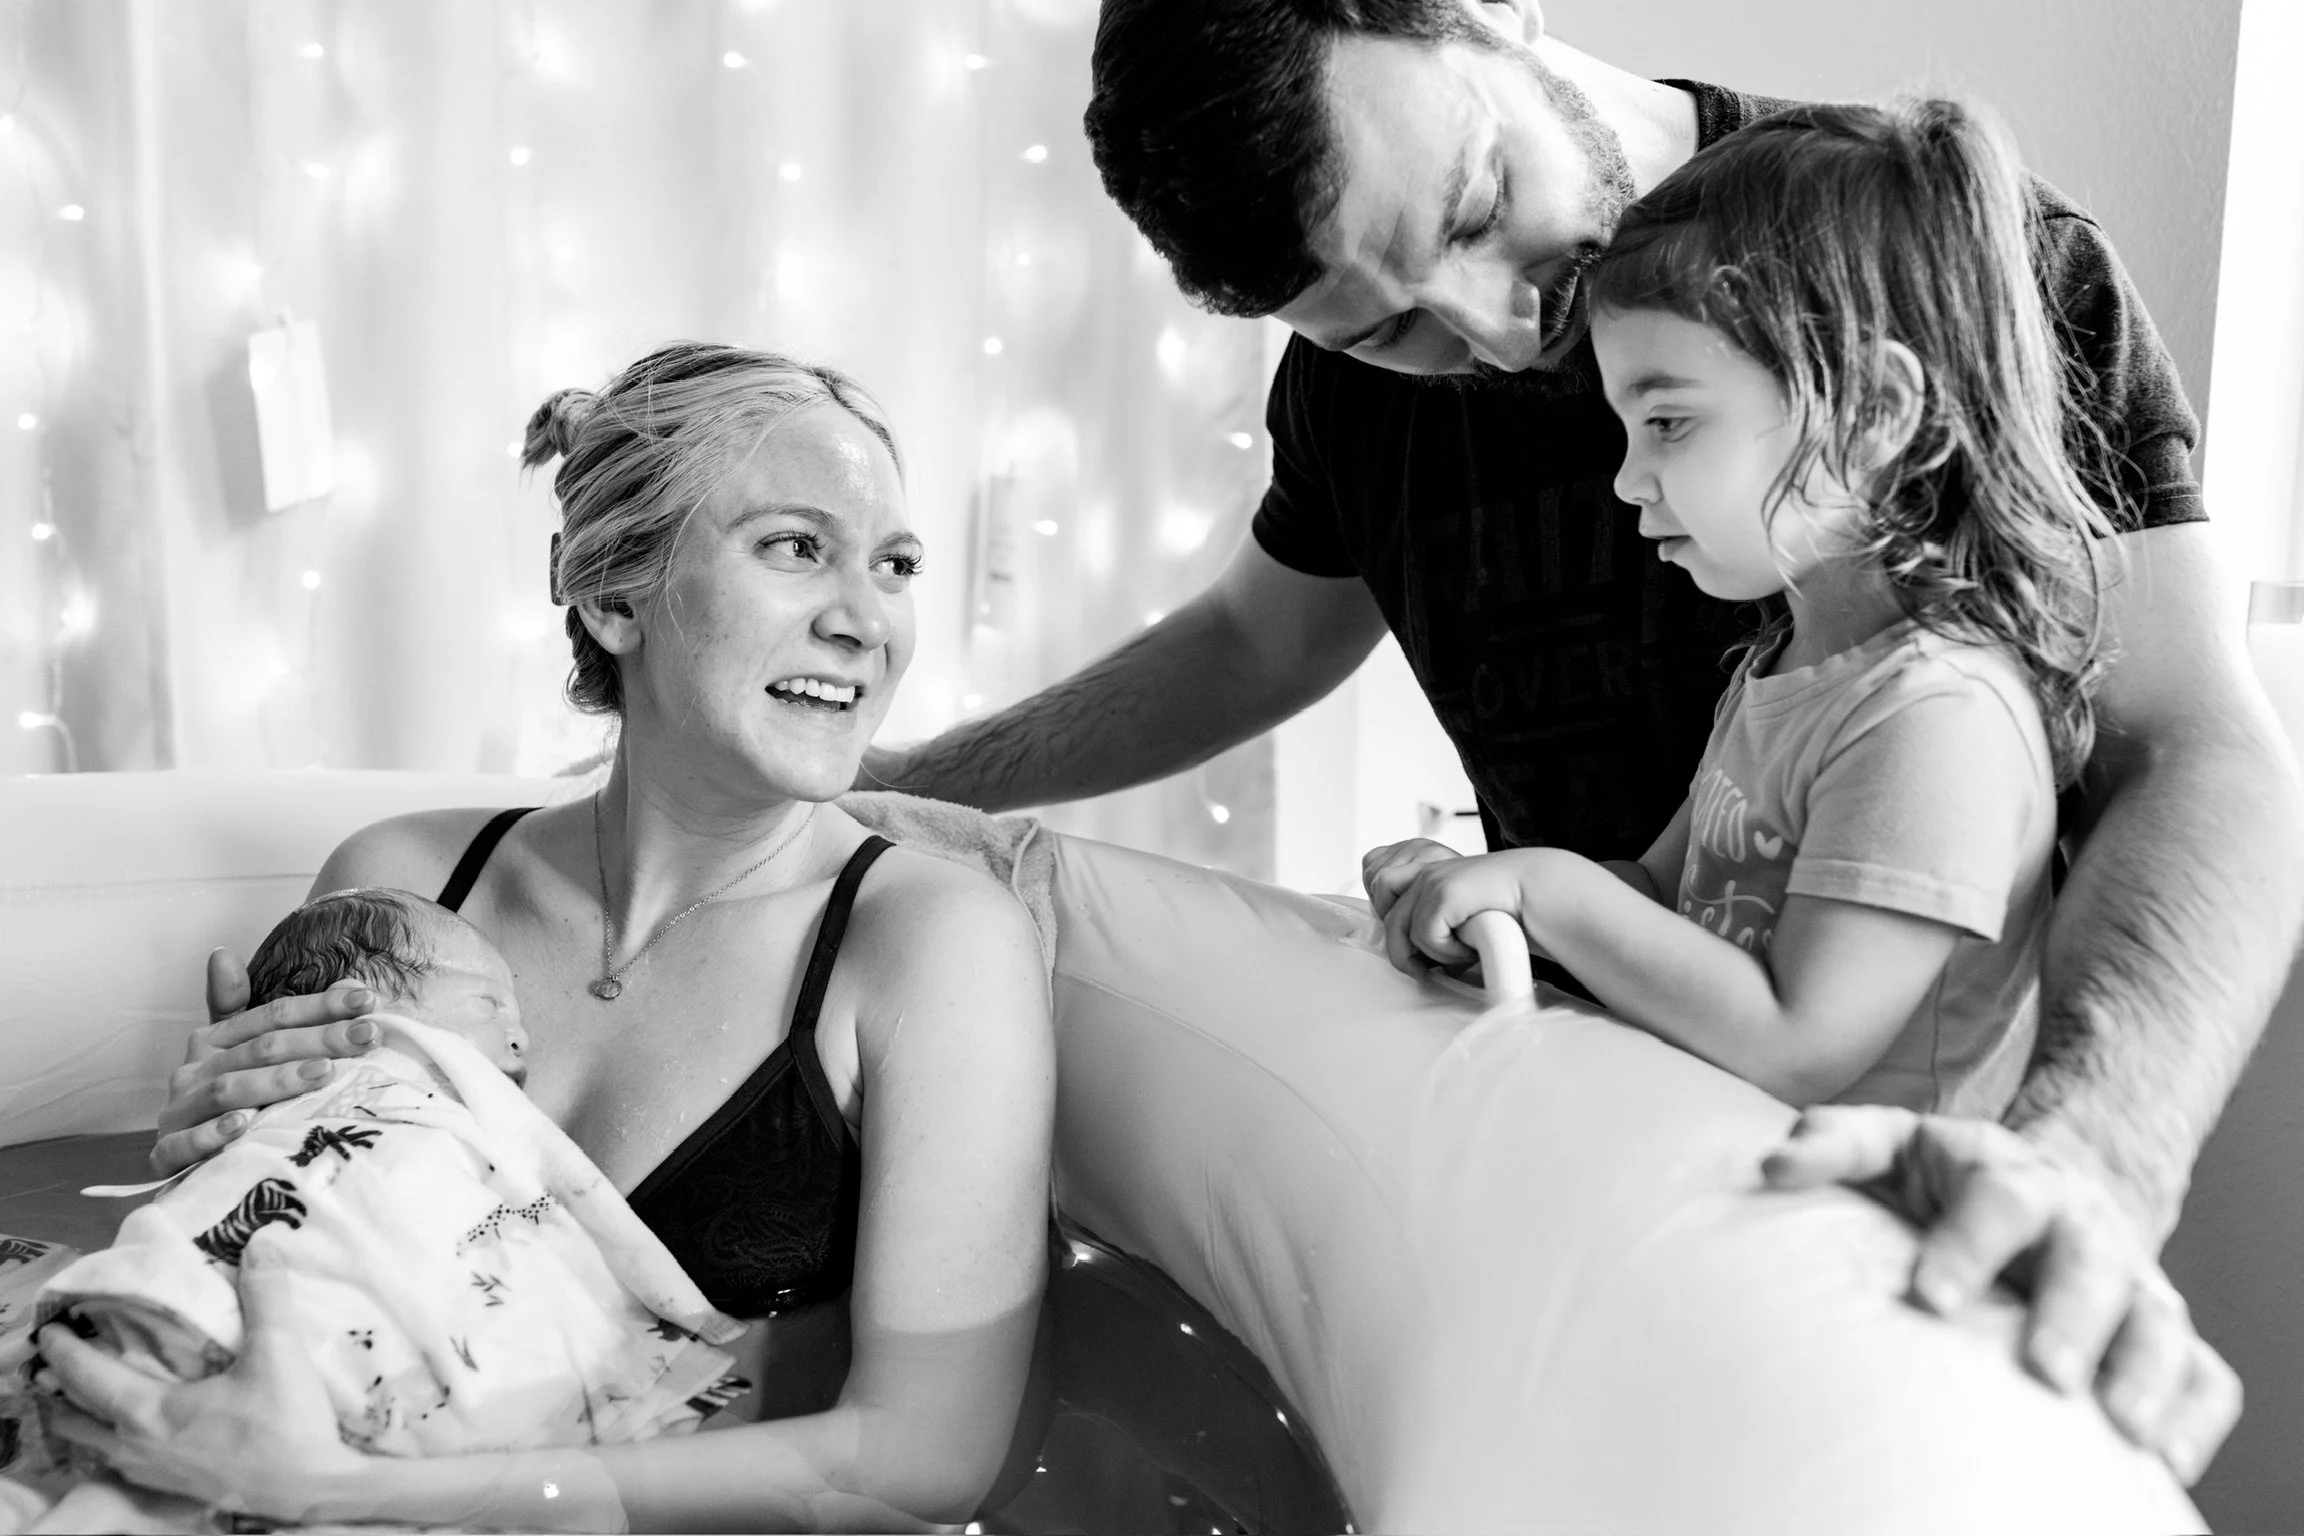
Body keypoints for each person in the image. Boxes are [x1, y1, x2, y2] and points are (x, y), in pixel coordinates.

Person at [847, 0, 2303, 1482]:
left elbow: (2197, 755)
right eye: (1388, 331)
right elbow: (1254, 641)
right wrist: (895, 787)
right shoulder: (1373, 412)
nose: (1490, 325)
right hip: (1579, 1124)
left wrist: (2088, 1165)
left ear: (1487, 17)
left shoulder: (1945, 264)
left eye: (1479, 206)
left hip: (1846, 1213)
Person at [36, 343, 1055, 1532]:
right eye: (795, 546)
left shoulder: (930, 946)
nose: (865, 619)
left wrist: (356, 1488)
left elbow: (926, 1457)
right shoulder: (404, 882)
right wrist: (220, 1151)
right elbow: (292, 1255)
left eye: (895, 565)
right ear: (612, 593)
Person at [1368, 97, 2105, 1121]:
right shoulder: (1784, 668)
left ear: (1878, 414)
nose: (1627, 480)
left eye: (1669, 421)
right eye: (1626, 426)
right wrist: (1495, 894)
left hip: (1860, 1247)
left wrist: (1551, 893)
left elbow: (1797, 1041)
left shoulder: (1937, 716)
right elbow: (1662, 899)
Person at [31, 888, 747, 1465]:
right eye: (492, 1004)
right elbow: (564, 1186)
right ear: (357, 1004)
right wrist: (222, 1128)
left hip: (313, 1419)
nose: (523, 1038)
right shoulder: (400, 1060)